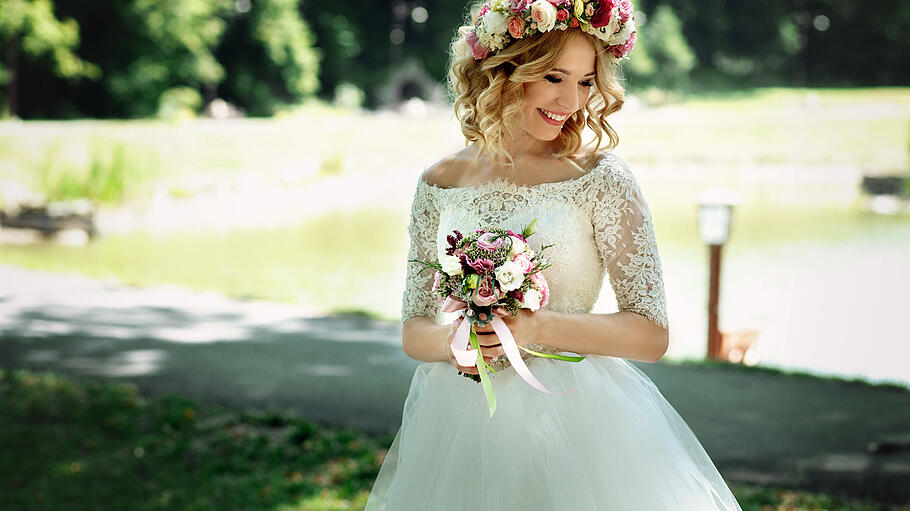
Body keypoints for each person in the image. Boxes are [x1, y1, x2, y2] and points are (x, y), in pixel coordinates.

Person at [365, 0, 743, 509]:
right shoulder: (440, 182)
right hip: (460, 421)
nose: (572, 100)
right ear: (505, 69)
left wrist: (538, 328)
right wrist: (464, 343)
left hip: (578, 419)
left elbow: (651, 334)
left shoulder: (600, 178)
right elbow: (414, 330)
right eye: (554, 77)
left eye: (586, 82)